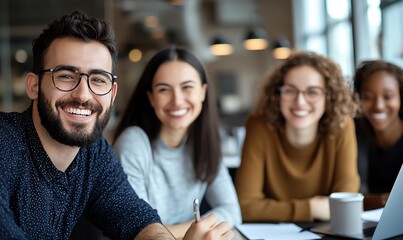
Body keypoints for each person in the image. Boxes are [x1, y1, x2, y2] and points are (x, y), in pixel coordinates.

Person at [0, 11, 233, 240]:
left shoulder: (94, 152)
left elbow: (136, 220)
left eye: (98, 80)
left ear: (112, 94)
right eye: (66, 76)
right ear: (34, 86)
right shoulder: (5, 142)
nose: (83, 94)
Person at [113, 46, 242, 239]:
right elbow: (136, 232)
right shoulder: (134, 143)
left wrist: (187, 232)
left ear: (203, 92)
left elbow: (232, 210)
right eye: (164, 89)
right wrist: (194, 231)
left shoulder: (205, 142)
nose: (177, 100)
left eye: (187, 87)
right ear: (151, 98)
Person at [235, 51, 360, 223]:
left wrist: (274, 209)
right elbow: (245, 206)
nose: (300, 102)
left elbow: (346, 204)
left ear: (328, 97)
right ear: (277, 94)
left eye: (313, 92)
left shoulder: (342, 126)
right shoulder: (259, 125)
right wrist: (312, 208)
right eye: (290, 90)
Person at [353, 60, 403, 210]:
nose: (378, 106)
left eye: (388, 96)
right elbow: (351, 197)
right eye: (368, 97)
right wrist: (387, 201)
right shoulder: (353, 132)